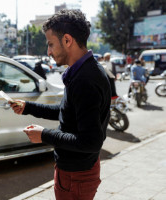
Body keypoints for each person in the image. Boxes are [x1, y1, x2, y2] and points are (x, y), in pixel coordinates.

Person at [10, 9, 111, 200]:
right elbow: (66, 112)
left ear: (67, 40)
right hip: (76, 172)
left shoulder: (85, 80)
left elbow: (90, 142)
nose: (48, 52)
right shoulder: (84, 71)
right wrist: (28, 107)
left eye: (50, 44)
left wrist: (44, 135)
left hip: (76, 176)